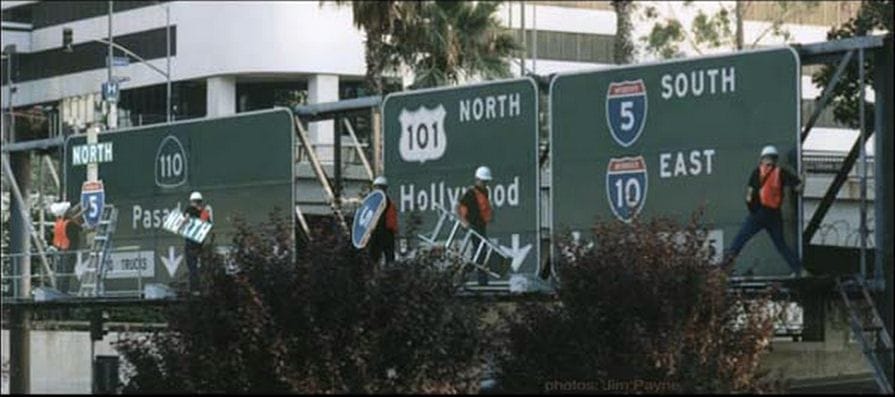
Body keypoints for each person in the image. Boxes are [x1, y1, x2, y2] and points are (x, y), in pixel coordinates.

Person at [724, 145, 806, 278]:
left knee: (739, 241)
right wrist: (803, 178)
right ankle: (800, 271)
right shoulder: (780, 172)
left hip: (757, 215)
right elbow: (799, 188)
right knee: (782, 246)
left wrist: (753, 211)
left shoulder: (757, 172)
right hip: (774, 215)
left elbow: (749, 196)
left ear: (762, 159)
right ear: (775, 159)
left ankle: (722, 270)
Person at [458, 166, 494, 286]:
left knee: (481, 253)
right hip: (473, 226)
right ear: (477, 180)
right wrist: (463, 221)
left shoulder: (486, 191)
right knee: (481, 252)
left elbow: (485, 207)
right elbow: (461, 206)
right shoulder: (470, 193)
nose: (485, 183)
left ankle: (479, 279)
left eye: (486, 181)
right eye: (483, 181)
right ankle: (478, 279)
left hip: (481, 225)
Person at [184, 191, 212, 294]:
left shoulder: (189, 210)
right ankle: (203, 288)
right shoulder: (204, 213)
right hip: (199, 244)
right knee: (201, 266)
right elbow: (207, 226)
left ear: (192, 201)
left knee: (192, 267)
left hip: (190, 243)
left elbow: (186, 219)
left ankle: (194, 289)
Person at [51, 203, 83, 293]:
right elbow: (80, 228)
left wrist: (81, 209)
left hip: (61, 249)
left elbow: (72, 218)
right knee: (67, 271)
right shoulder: (71, 224)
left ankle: (59, 290)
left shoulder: (60, 223)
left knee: (61, 272)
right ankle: (63, 291)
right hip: (70, 250)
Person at [368, 176, 398, 265]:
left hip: (386, 234)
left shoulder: (388, 203)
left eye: (380, 187)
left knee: (388, 258)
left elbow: (392, 222)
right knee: (374, 259)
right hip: (376, 234)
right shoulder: (372, 203)